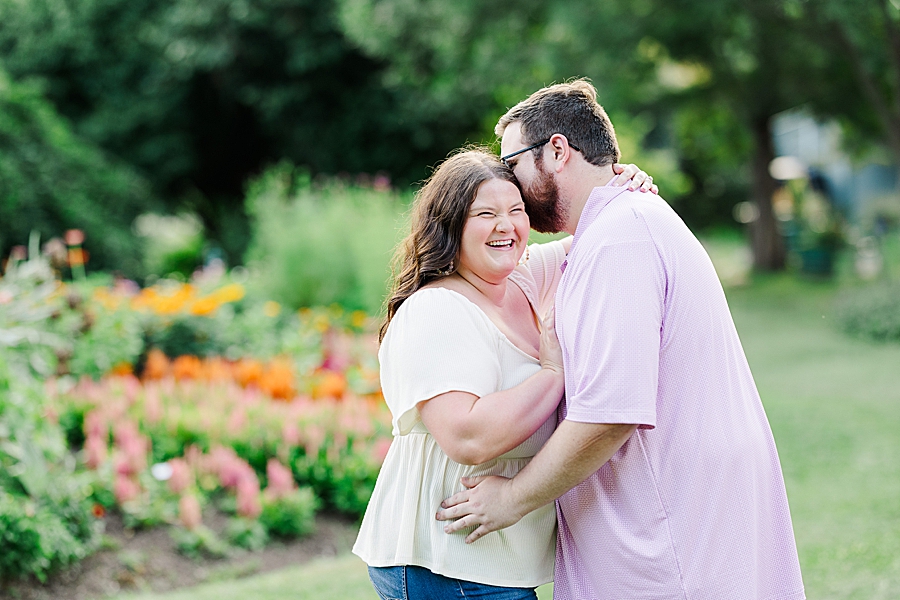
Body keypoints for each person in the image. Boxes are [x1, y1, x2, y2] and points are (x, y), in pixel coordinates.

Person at [437, 80, 806, 600]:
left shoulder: (620, 240)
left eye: (513, 164)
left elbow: (610, 415)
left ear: (558, 150)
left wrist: (512, 499)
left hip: (668, 529)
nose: (510, 185)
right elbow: (499, 273)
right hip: (682, 510)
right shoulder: (616, 227)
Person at [352, 149, 655, 600]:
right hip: (444, 560)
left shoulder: (521, 281)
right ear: (450, 226)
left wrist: (621, 184)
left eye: (515, 211)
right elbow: (468, 437)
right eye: (486, 213)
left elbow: (603, 232)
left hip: (493, 562)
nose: (506, 225)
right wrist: (553, 373)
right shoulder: (435, 309)